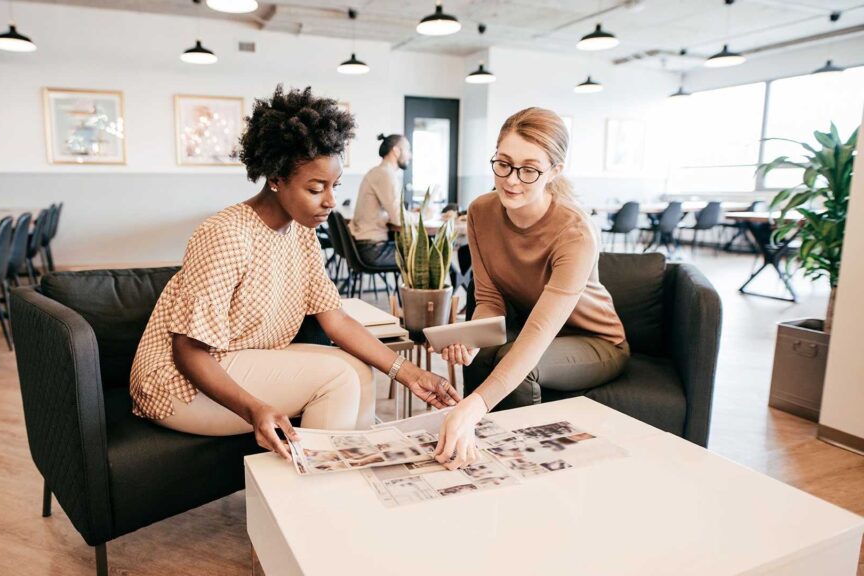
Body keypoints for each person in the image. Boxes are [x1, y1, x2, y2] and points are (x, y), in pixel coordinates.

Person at [129, 86, 459, 461]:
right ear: (275, 177)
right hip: (177, 384)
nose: (330, 202)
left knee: (359, 371)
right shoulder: (226, 234)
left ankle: (347, 480)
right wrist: (255, 409)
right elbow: (188, 351)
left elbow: (335, 318)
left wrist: (408, 372)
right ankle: (310, 494)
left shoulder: (302, 234)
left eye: (335, 187)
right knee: (336, 380)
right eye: (316, 188)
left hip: (242, 358)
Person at [432, 107, 629, 470]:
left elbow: (539, 333)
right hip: (532, 328)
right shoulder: (481, 212)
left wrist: (474, 405)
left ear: (555, 170)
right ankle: (471, 454)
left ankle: (517, 468)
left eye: (529, 169)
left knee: (514, 363)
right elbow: (489, 300)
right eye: (503, 164)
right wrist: (473, 341)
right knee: (488, 356)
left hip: (596, 341)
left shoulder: (574, 232)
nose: (511, 180)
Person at [348, 133, 412, 267]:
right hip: (372, 249)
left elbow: (387, 212)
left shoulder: (378, 171)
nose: (410, 155)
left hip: (363, 244)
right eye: (408, 150)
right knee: (424, 255)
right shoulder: (386, 174)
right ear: (396, 150)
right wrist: (424, 216)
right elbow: (399, 219)